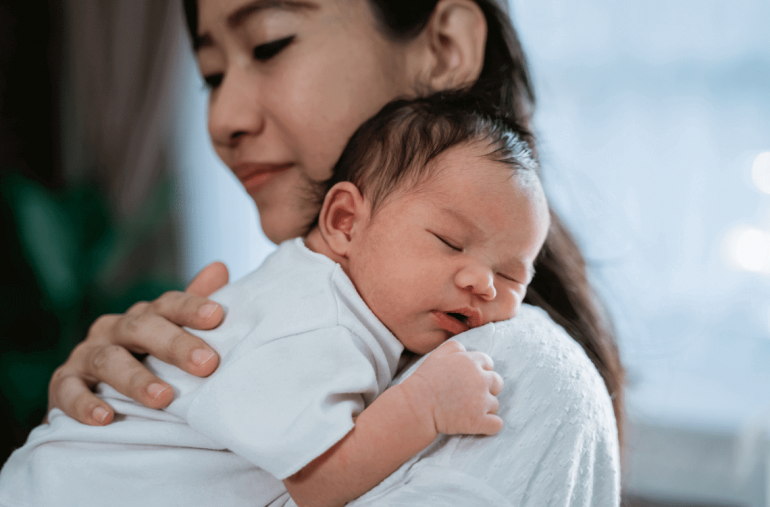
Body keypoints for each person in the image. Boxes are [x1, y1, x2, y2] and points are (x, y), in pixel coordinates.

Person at [43, 0, 624, 504]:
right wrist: (102, 424)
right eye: (212, 76)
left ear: (444, 47)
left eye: (270, 43)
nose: (223, 120)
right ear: (343, 220)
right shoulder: (309, 308)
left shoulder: (511, 370)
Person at [0, 92, 550, 507]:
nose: (483, 283)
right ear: (345, 222)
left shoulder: (339, 298)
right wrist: (424, 406)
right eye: (449, 243)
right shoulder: (319, 319)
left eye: (510, 275)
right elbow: (315, 480)